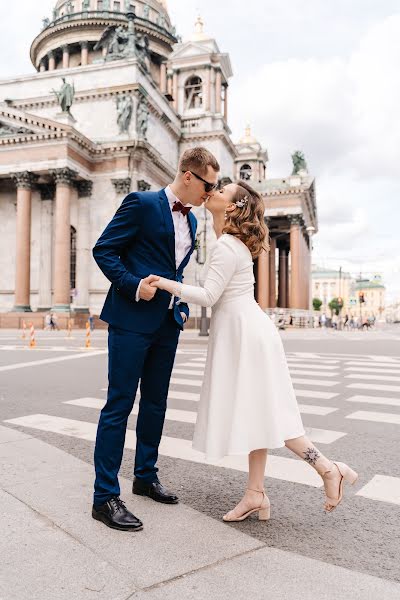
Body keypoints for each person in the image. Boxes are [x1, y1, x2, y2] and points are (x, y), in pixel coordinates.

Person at [150, 181, 358, 522]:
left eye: (221, 191)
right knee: (258, 414)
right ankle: (255, 493)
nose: (213, 191)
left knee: (270, 413)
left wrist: (163, 282)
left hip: (245, 334)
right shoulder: (229, 243)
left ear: (231, 207)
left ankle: (326, 468)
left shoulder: (227, 246)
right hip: (246, 331)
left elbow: (207, 296)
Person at [91, 147, 220, 531]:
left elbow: (175, 269)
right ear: (187, 176)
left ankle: (145, 477)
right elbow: (104, 250)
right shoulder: (142, 204)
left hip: (167, 324)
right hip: (131, 319)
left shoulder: (194, 223)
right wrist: (133, 286)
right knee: (119, 404)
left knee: (156, 404)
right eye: (208, 185)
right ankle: (104, 497)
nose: (210, 194)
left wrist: (178, 306)